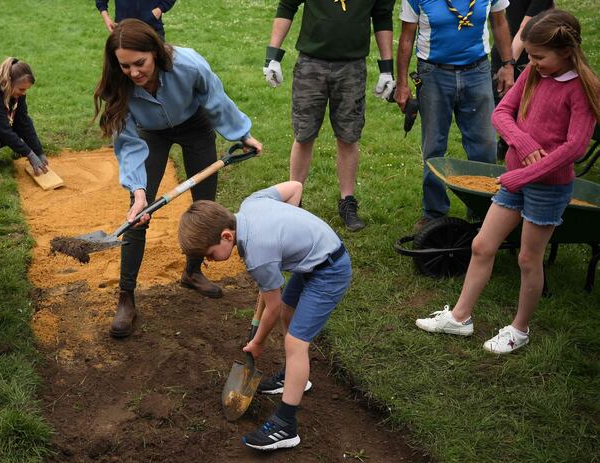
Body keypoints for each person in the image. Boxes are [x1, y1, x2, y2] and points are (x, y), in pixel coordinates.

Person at [415, 9, 600, 354]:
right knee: (482, 245)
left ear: (565, 52)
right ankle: (460, 318)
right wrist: (525, 144)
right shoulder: (532, 72)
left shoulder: (581, 89)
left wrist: (522, 174)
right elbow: (500, 113)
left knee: (529, 259)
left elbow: (573, 148)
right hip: (515, 180)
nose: (532, 62)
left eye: (539, 56)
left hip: (548, 187)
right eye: (530, 56)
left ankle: (520, 328)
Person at [93, 19, 263, 338]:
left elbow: (216, 99)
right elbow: (128, 145)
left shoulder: (188, 65)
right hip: (151, 135)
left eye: (140, 63)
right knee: (137, 215)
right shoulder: (120, 84)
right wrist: (139, 191)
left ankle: (192, 272)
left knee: (205, 207)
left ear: (155, 52)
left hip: (195, 125)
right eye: (125, 65)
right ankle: (126, 297)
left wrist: (242, 134)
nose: (133, 72)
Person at [178, 181, 351, 450]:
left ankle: (285, 425)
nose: (208, 262)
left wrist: (257, 343)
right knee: (290, 316)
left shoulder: (258, 255)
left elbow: (273, 306)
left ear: (226, 236)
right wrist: (285, 238)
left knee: (296, 342)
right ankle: (294, 378)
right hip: (315, 260)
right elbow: (295, 187)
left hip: (329, 271)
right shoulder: (250, 203)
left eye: (209, 255)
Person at [262, 0, 396, 232]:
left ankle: (347, 202)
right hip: (311, 63)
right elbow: (287, 6)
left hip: (352, 66)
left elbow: (383, 18)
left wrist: (386, 67)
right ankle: (294, 199)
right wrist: (272, 55)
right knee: (304, 134)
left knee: (348, 135)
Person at [395, 0, 516, 230]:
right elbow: (406, 38)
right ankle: (433, 212)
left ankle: (483, 210)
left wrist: (508, 65)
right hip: (433, 73)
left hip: (478, 71)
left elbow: (499, 23)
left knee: (485, 145)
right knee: (434, 146)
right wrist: (402, 83)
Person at [491, 0, 554, 160]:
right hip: (505, 49)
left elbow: (525, 27)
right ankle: (507, 144)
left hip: (527, 54)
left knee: (525, 107)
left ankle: (519, 148)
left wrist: (509, 63)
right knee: (503, 103)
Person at [96, 0, 176, 41]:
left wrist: (159, 9)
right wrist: (106, 18)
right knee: (125, 67)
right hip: (124, 27)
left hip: (151, 26)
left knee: (157, 65)